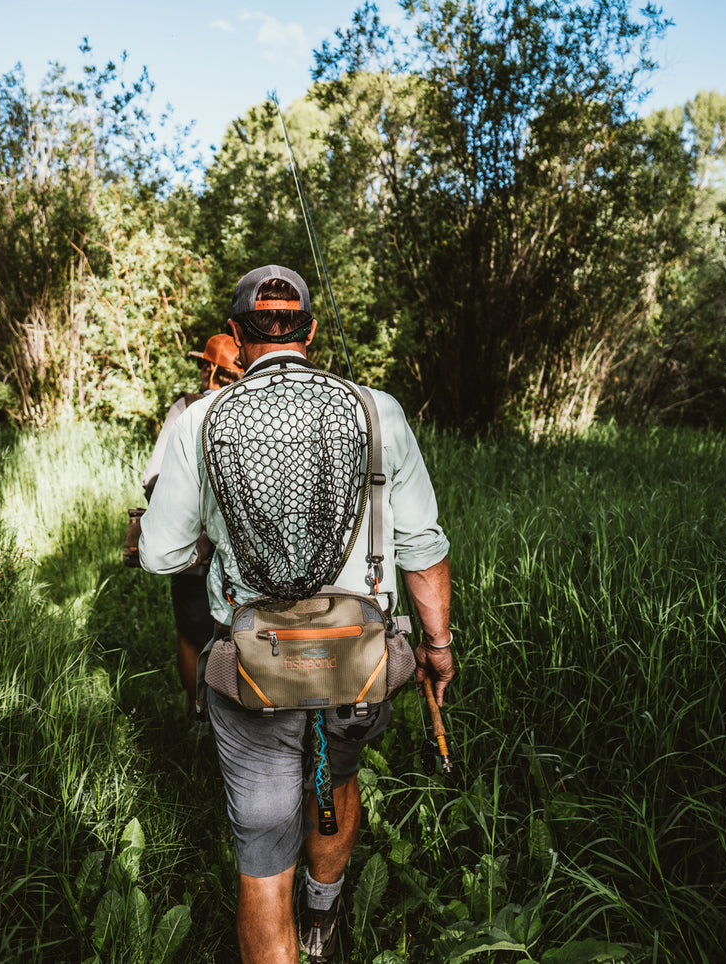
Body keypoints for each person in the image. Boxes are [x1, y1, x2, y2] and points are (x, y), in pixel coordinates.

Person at [139, 265, 455, 963]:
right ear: (308, 332)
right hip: (358, 663)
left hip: (255, 670)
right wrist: (437, 645)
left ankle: (291, 917)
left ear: (234, 335)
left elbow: (160, 557)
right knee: (336, 778)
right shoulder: (379, 411)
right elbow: (423, 549)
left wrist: (215, 533)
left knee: (260, 848)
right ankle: (321, 922)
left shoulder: (199, 419)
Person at [140, 332, 244, 710]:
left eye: (205, 364)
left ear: (211, 369)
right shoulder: (255, 408)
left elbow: (154, 480)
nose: (201, 371)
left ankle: (198, 711)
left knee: (190, 633)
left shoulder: (185, 408)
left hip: (193, 546)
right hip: (244, 547)